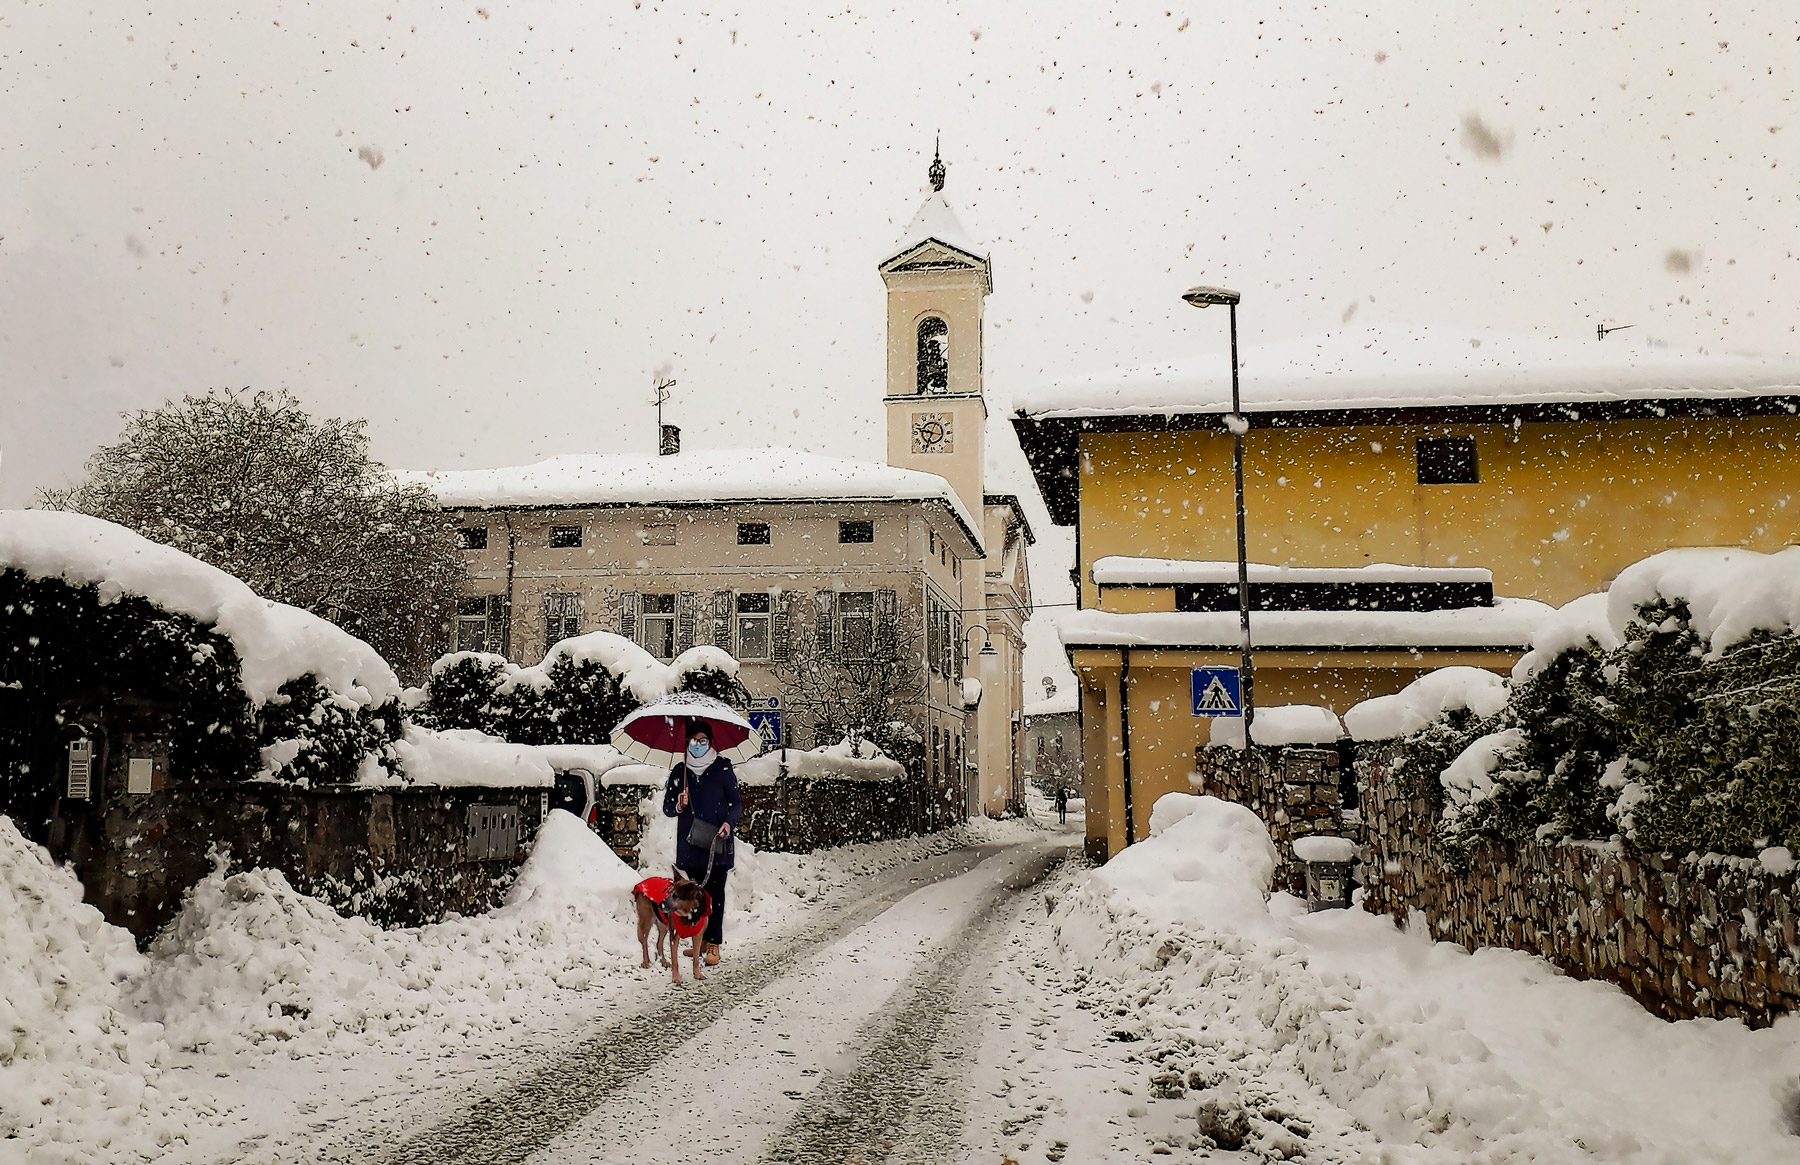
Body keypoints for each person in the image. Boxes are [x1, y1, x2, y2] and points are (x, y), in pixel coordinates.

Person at [662, 720, 742, 967]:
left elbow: (736, 803)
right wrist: (679, 804)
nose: (697, 745)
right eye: (693, 741)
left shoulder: (722, 768)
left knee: (715, 894)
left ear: (710, 742)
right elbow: (667, 808)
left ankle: (714, 944)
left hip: (717, 842)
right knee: (696, 896)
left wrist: (728, 823)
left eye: (702, 741)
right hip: (691, 844)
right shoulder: (680, 771)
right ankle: (701, 941)